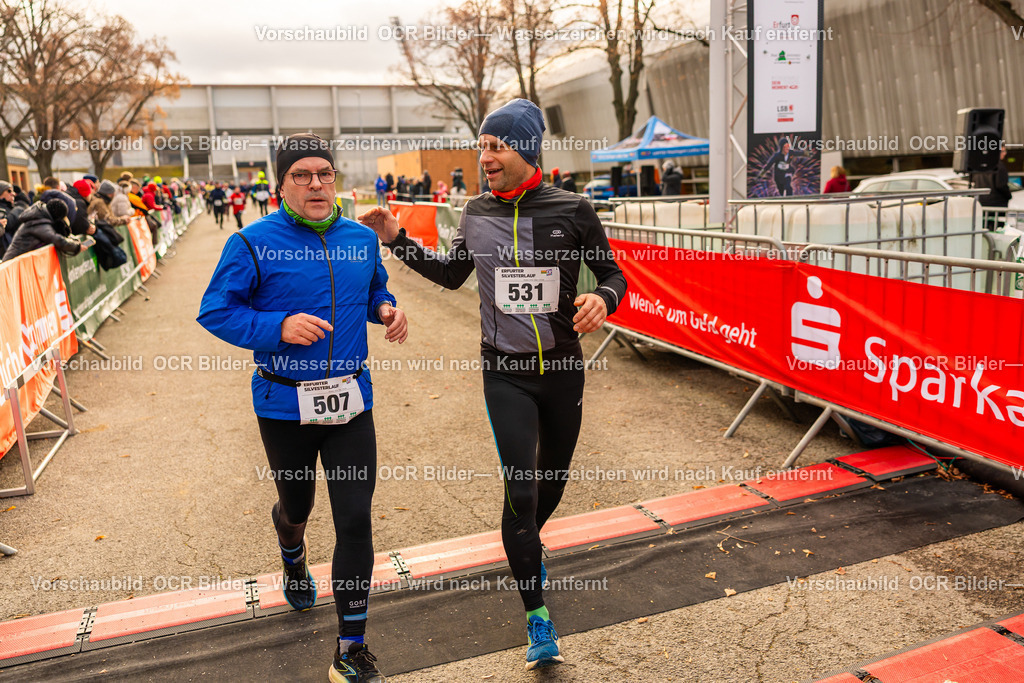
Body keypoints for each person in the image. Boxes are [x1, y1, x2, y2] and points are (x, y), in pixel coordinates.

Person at [358, 98, 627, 671]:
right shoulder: (475, 211)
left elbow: (612, 273)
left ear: (526, 149)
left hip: (561, 369)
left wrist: (601, 299)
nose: (485, 157)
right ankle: (538, 617)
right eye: (481, 146)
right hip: (504, 370)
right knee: (521, 491)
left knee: (549, 487)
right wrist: (396, 238)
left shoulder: (574, 209)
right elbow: (452, 274)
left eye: (496, 146)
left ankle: (527, 548)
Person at [198, 133, 405, 683]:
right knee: (297, 505)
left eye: (326, 174)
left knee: (355, 518)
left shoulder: (361, 239)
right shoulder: (251, 243)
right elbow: (215, 311)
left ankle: (351, 647)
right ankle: (292, 552)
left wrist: (386, 310)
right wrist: (277, 327)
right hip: (284, 402)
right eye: (303, 175)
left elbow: (372, 293)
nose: (317, 184)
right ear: (282, 183)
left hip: (350, 401)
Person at [3, 195, 87, 262]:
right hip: (12, 265)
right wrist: (77, 247)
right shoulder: (39, 222)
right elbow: (57, 239)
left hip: (19, 264)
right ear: (57, 216)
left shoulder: (42, 217)